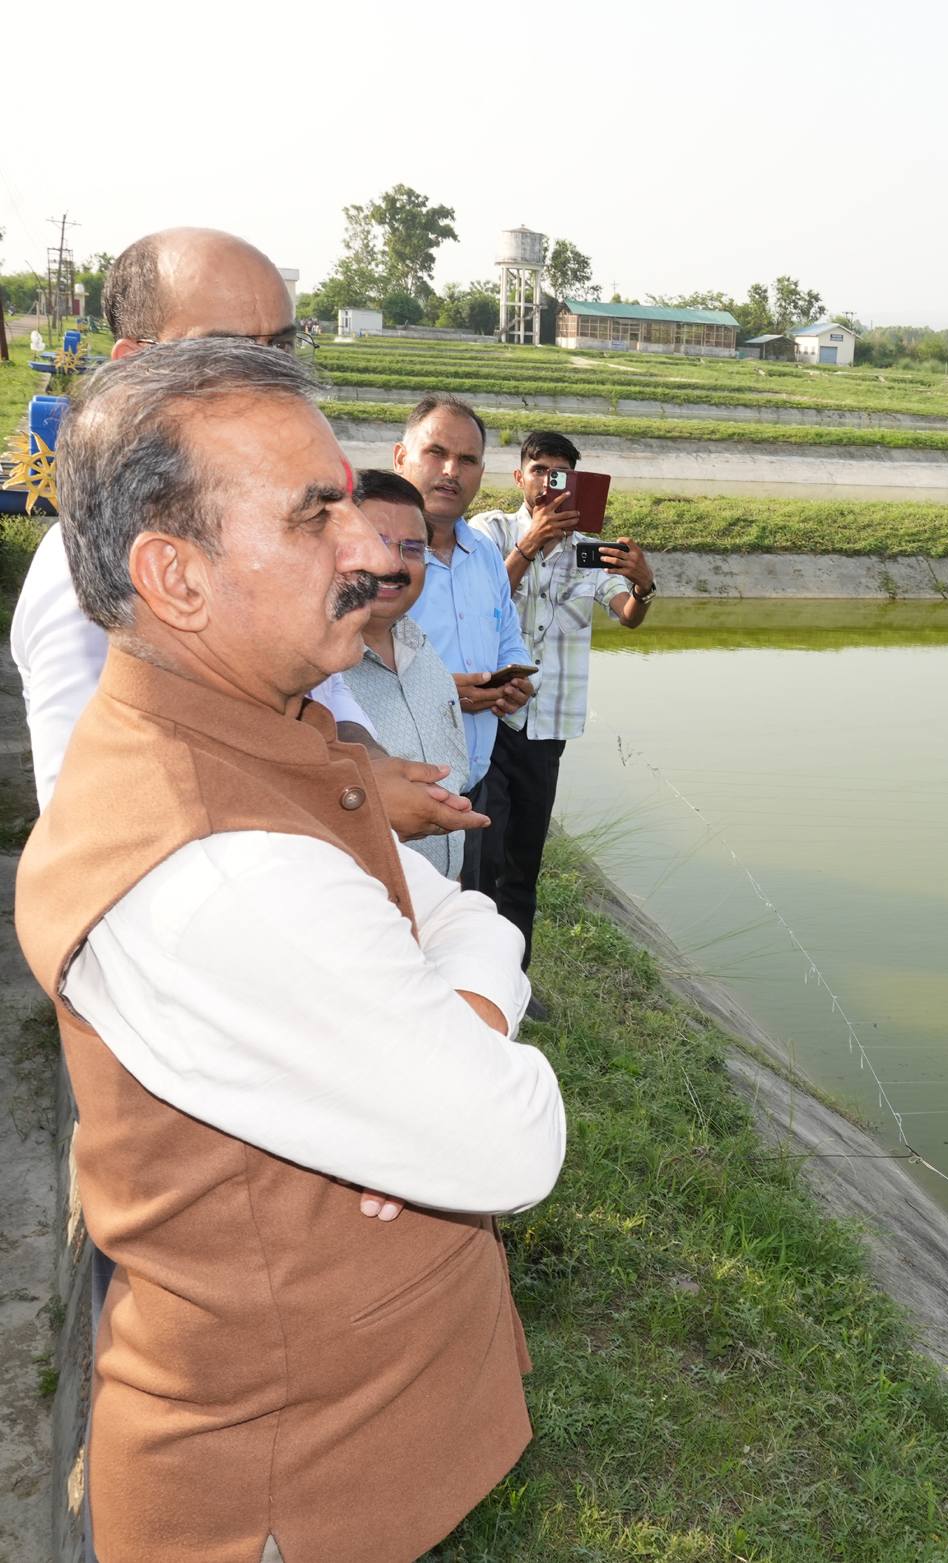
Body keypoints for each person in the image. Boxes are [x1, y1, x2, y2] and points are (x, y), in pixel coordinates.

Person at [17, 338, 565, 1563]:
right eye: (315, 516)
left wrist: (440, 1022)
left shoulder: (248, 732)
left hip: (334, 1458)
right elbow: (514, 1138)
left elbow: (461, 916)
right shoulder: (223, 867)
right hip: (284, 1504)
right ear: (177, 576)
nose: (373, 551)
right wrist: (456, 1051)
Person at [8, 227, 480, 844]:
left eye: (281, 347)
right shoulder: (83, 566)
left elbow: (325, 698)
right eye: (225, 351)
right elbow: (92, 817)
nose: (268, 376)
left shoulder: (273, 528)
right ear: (133, 366)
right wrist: (351, 797)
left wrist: (368, 765)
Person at [468, 431, 657, 963]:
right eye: (540, 471)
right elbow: (481, 601)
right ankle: (474, 965)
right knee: (483, 855)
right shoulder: (489, 532)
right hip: (489, 717)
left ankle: (516, 973)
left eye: (562, 475)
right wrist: (529, 546)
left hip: (546, 730)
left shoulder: (589, 552)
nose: (549, 484)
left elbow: (627, 616)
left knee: (523, 862)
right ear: (519, 478)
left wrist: (643, 586)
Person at [393, 395, 533, 876]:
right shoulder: (370, 554)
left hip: (471, 786)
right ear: (401, 458)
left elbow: (508, 637)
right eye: (436, 453)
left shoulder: (486, 554)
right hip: (397, 793)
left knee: (463, 903)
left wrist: (516, 682)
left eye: (467, 459)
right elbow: (346, 670)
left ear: (481, 472)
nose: (451, 470)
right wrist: (443, 692)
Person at [341, 470, 471, 878]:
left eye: (412, 549)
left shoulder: (422, 648)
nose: (393, 564)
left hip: (439, 897)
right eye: (376, 542)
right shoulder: (310, 676)